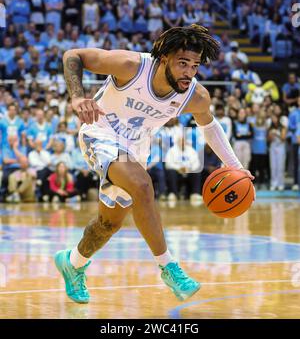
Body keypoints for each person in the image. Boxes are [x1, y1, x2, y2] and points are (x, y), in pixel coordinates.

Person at [55, 24, 254, 304]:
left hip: (135, 150)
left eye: (195, 65)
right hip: (99, 133)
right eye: (183, 63)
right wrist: (77, 97)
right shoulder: (131, 66)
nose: (189, 72)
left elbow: (209, 125)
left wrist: (234, 166)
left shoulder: (195, 95)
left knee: (108, 224)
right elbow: (72, 55)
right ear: (164, 58)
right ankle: (169, 267)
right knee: (142, 185)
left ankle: (72, 264)